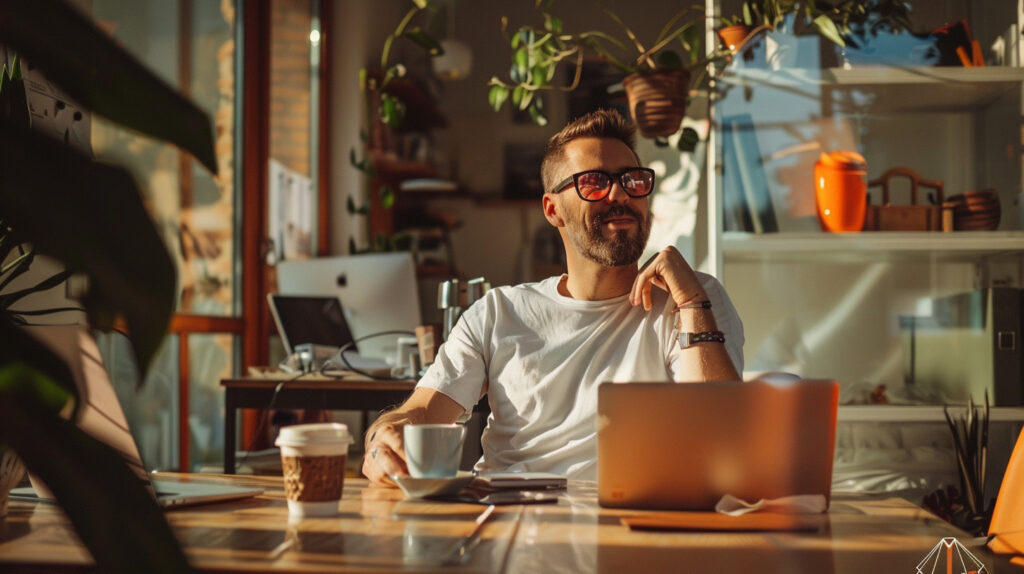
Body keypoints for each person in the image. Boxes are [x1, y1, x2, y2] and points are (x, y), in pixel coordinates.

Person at [363, 109, 743, 485]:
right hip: (506, 522)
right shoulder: (498, 313)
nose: (619, 194)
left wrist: (692, 304)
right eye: (594, 182)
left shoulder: (694, 299)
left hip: (628, 524)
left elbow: (724, 442)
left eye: (633, 180)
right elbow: (420, 412)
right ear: (552, 209)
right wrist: (383, 443)